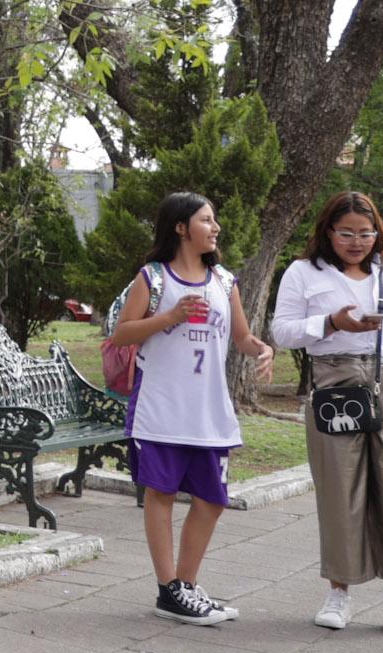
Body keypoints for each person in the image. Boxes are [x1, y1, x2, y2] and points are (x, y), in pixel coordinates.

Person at [273, 193, 383, 638]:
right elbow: (282, 331)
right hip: (336, 383)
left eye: (366, 233)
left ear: (379, 234)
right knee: (340, 489)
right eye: (347, 233)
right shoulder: (303, 272)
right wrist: (332, 323)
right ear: (328, 232)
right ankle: (339, 593)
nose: (357, 242)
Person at [107, 192, 274, 624]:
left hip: (209, 414)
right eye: (206, 220)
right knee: (160, 495)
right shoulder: (153, 278)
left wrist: (261, 349)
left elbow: (241, 337)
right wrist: (170, 316)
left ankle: (186, 585)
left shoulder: (225, 282)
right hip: (160, 410)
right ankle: (168, 590)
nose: (215, 227)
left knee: (212, 500)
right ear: (181, 227)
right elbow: (121, 335)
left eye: (214, 220)